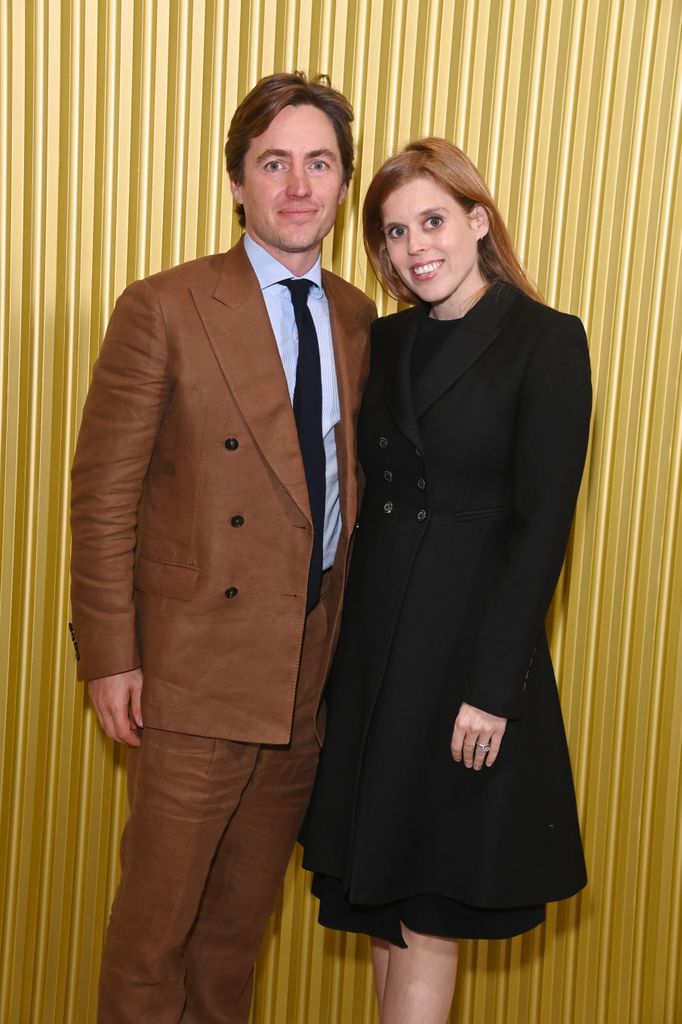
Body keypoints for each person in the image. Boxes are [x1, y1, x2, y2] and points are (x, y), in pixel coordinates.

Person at [69, 72, 375, 1024]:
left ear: (342, 183)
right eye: (273, 162)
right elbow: (101, 495)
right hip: (192, 667)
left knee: (240, 934)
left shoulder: (361, 316)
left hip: (304, 672)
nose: (297, 185)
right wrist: (112, 656)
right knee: (155, 932)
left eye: (318, 163)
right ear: (237, 180)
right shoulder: (164, 305)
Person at [301, 137, 591, 1024]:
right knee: (383, 909)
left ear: (477, 220)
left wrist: (491, 691)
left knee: (429, 910)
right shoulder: (382, 342)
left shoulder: (547, 340)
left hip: (466, 658)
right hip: (377, 654)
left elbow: (544, 533)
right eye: (393, 233)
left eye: (432, 221)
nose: (414, 247)